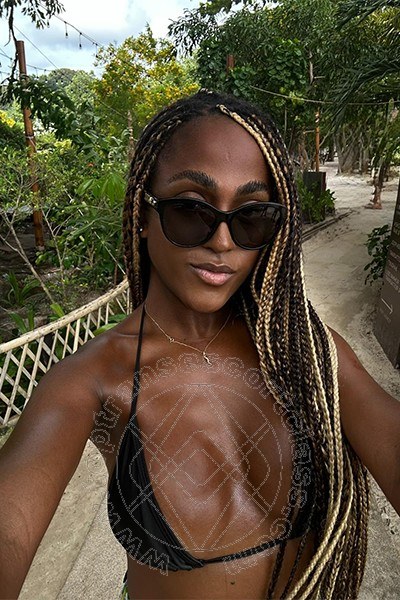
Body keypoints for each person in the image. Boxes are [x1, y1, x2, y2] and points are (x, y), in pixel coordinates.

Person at [0, 90, 399, 600]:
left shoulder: (307, 351)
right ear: (143, 214)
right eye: (191, 209)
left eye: (252, 215)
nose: (223, 241)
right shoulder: (91, 381)